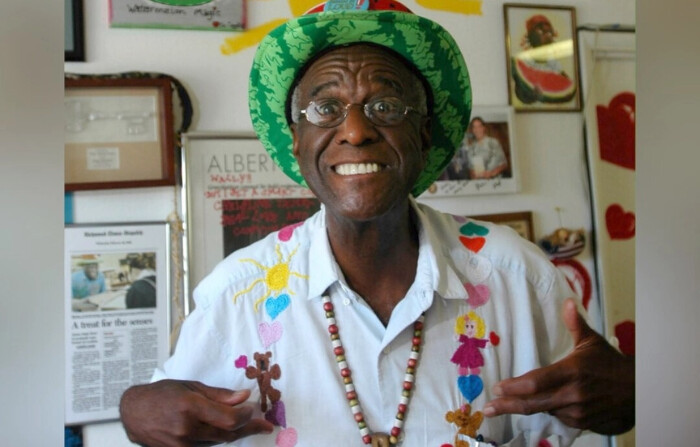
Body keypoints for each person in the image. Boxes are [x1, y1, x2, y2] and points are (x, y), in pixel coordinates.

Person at [120, 2, 634, 446]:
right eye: (325, 108)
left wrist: (632, 396)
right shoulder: (238, 295)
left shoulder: (515, 276)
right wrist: (133, 412)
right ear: (296, 140)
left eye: (386, 105)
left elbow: (597, 405)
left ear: (424, 132)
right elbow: (164, 414)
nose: (358, 130)